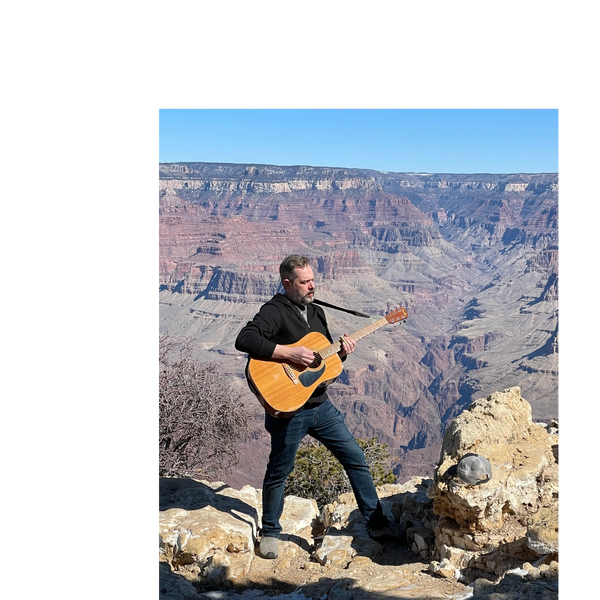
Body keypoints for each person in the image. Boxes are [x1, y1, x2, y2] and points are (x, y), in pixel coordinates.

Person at [235, 254, 407, 560]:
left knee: (355, 457)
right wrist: (289, 353)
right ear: (288, 283)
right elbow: (245, 339)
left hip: (320, 405)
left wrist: (343, 353)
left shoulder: (315, 312)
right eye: (305, 282)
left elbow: (323, 363)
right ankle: (271, 532)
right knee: (279, 471)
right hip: (289, 409)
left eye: (313, 279)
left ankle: (377, 523)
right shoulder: (275, 310)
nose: (313, 286)